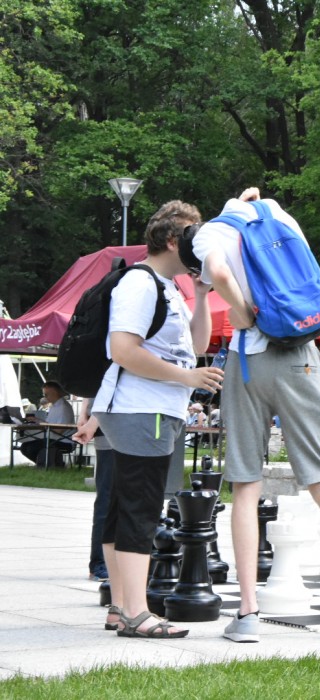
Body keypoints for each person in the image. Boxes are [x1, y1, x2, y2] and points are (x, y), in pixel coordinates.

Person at [193, 187, 320, 641]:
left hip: (250, 362)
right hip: (300, 356)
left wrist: (244, 314)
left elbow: (219, 272)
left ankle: (248, 613)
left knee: (246, 484)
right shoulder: (281, 217)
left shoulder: (212, 231)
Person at [73, 199, 220, 638]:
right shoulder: (140, 284)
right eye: (195, 236)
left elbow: (196, 346)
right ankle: (138, 613)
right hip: (142, 408)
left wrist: (202, 294)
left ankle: (121, 607)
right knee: (142, 507)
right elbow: (123, 350)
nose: (201, 245)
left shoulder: (168, 286)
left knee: (123, 504)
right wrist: (187, 377)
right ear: (174, 240)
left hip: (147, 407)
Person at [78, 398, 114, 582]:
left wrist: (85, 412)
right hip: (109, 422)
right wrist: (86, 414)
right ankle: (100, 562)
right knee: (107, 498)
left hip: (137, 424)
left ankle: (106, 562)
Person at [18, 381, 75, 467]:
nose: (44, 397)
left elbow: (59, 430)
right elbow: (49, 424)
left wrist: (41, 424)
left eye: (46, 394)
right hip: (54, 437)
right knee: (24, 447)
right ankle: (49, 464)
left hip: (64, 440)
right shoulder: (54, 406)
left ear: (54, 392)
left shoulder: (63, 407)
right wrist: (36, 420)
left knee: (31, 447)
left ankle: (50, 465)